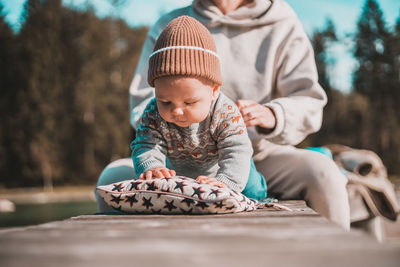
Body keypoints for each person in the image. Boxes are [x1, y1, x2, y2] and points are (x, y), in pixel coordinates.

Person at [96, 0, 350, 230]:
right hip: (175, 160)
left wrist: (273, 114)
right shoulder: (168, 26)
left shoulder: (282, 22)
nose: (176, 108)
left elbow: (309, 101)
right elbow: (143, 103)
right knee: (110, 177)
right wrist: (157, 160)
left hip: (261, 153)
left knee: (323, 173)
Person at [130, 15, 266, 197]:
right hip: (179, 171)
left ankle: (260, 191)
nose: (176, 111)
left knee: (253, 190)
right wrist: (152, 166)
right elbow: (146, 143)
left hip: (228, 168)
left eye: (189, 102)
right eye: (166, 101)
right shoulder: (153, 112)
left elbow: (236, 149)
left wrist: (226, 182)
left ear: (214, 91)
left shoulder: (225, 112)